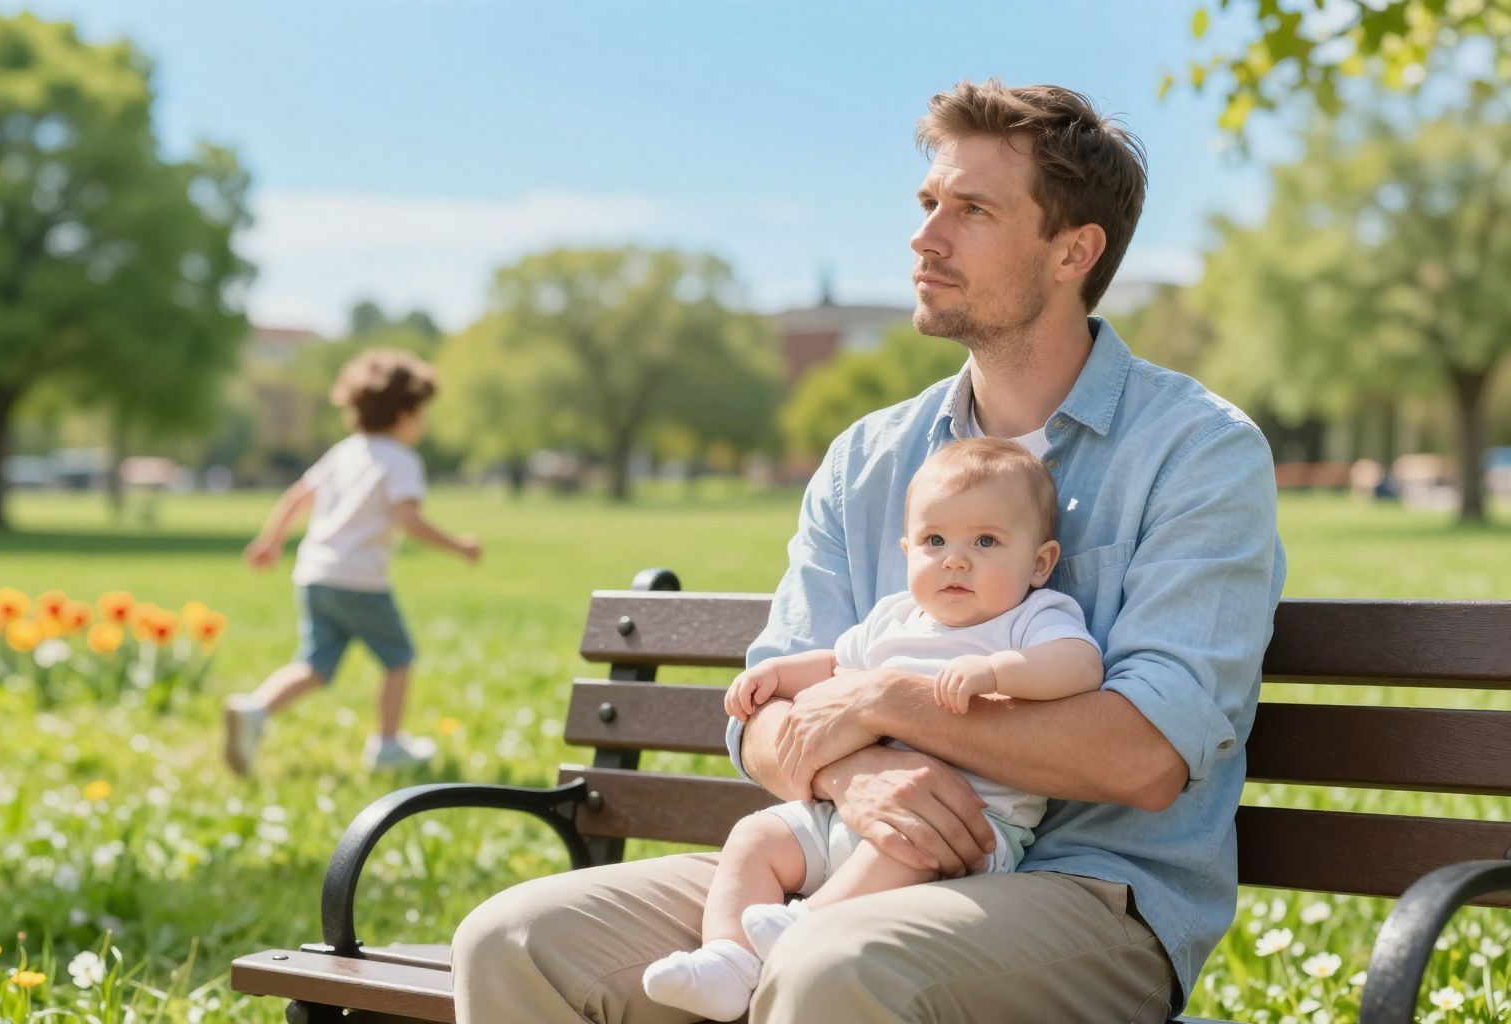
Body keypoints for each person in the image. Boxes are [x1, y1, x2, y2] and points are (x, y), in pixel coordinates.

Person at [453, 78, 1285, 1024]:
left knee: (834, 965)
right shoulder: (869, 458)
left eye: (972, 211)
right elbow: (761, 720)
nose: (926, 237)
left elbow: (1146, 755)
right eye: (929, 202)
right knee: (514, 940)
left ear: (1074, 251)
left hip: (1091, 892)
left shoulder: (1196, 453)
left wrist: (890, 702)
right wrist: (855, 773)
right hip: (837, 852)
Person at [641, 438, 1104, 1021]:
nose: (955, 560)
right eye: (935, 542)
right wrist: (777, 675)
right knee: (755, 838)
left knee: (907, 844)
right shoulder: (893, 619)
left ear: (1039, 563)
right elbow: (836, 665)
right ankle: (727, 960)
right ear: (907, 550)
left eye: (985, 541)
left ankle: (804, 924)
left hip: (964, 830)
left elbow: (1079, 666)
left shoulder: (1031, 619)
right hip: (847, 815)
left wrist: (996, 671)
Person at [223, 348, 480, 775]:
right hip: (359, 581)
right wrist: (458, 546)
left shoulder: (344, 452)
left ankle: (255, 710)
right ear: (405, 413)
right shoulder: (401, 461)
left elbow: (297, 496)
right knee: (399, 659)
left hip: (314, 576)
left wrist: (271, 541)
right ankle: (388, 746)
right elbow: (408, 519)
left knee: (314, 665)